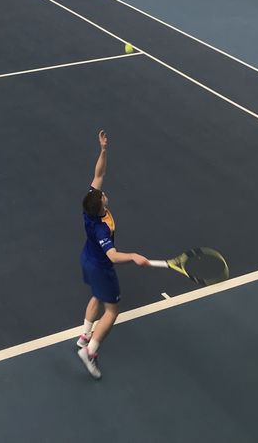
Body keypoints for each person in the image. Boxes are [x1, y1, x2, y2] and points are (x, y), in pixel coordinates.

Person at [77, 129, 149, 379]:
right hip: (100, 265)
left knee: (96, 296)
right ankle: (91, 351)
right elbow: (113, 256)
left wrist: (103, 150)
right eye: (103, 196)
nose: (104, 192)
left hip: (86, 258)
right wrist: (134, 256)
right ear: (101, 206)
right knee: (112, 311)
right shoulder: (101, 227)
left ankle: (85, 334)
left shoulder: (90, 203)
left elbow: (99, 173)